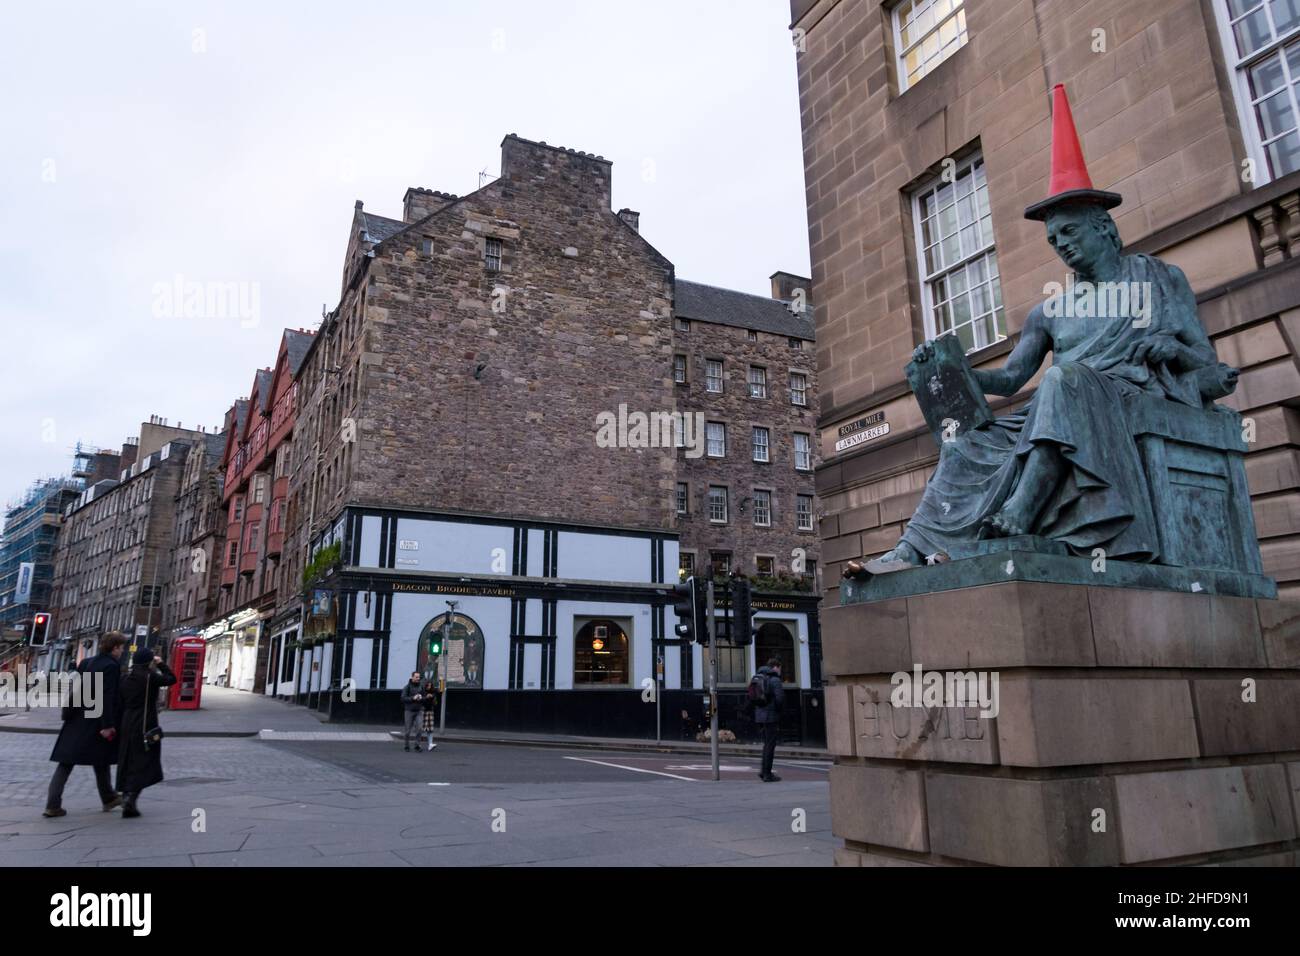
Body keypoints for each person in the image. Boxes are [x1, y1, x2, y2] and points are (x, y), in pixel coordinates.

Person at [864, 85, 1232, 573]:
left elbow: (1209, 368)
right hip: (1059, 410)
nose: (1062, 246)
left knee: (1062, 380)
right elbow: (1011, 379)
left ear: (1102, 225)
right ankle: (914, 548)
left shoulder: (1158, 280)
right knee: (968, 440)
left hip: (1120, 401)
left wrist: (1172, 349)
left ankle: (1022, 512)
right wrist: (950, 375)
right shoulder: (1051, 311)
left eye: (1070, 232)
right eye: (1054, 239)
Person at [43, 632, 127, 817]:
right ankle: (108, 798)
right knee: (100, 758)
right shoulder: (111, 667)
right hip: (95, 721)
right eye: (121, 648)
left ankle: (53, 804)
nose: (122, 651)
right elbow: (106, 696)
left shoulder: (86, 663)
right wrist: (107, 725)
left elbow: (77, 689)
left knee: (68, 762)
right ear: (114, 648)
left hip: (77, 718)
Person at [115, 647, 178, 818]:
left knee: (127, 760)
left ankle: (126, 793)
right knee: (144, 762)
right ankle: (131, 799)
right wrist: (161, 664)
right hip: (146, 723)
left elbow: (119, 701)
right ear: (149, 662)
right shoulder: (150, 677)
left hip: (127, 722)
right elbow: (172, 679)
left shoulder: (125, 678)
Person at [753, 658, 784, 783]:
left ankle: (763, 771)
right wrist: (778, 711)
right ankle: (767, 774)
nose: (780, 671)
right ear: (775, 667)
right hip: (771, 717)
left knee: (766, 744)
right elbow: (780, 699)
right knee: (770, 745)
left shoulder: (759, 677)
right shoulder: (775, 679)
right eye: (780, 668)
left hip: (760, 716)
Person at [400, 671, 424, 751]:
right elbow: (403, 698)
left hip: (419, 710)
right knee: (408, 730)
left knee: (419, 728)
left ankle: (417, 746)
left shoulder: (421, 687)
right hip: (409, 711)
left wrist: (422, 698)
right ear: (412, 677)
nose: (418, 678)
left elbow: (424, 697)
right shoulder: (407, 687)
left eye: (419, 677)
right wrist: (412, 698)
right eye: (416, 677)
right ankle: (406, 745)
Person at [418, 679, 439, 751]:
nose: (429, 687)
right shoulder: (422, 691)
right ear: (425, 685)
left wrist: (432, 696)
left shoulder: (433, 691)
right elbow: (420, 700)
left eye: (430, 685)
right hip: (423, 711)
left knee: (430, 729)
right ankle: (418, 744)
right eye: (428, 685)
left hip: (430, 711)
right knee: (421, 729)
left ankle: (430, 744)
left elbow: (436, 699)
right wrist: (426, 697)